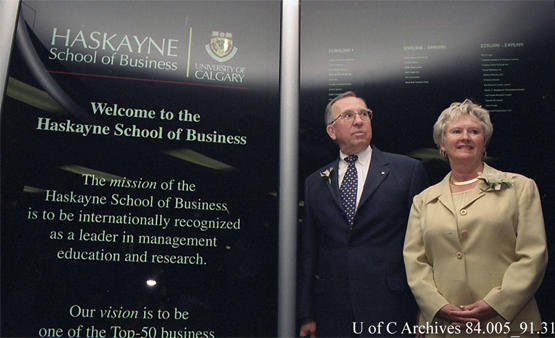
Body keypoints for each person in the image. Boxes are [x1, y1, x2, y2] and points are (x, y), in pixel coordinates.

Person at [403, 99, 548, 337]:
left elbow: (533, 255)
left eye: (474, 131)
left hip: (508, 324)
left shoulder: (520, 188)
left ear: (484, 142)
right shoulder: (423, 200)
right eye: (456, 131)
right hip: (445, 327)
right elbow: (415, 262)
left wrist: (496, 303)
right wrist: (439, 307)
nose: (465, 137)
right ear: (442, 143)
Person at [298, 91, 428, 337]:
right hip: (334, 310)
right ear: (331, 131)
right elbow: (309, 251)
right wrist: (307, 313)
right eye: (348, 115)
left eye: (364, 114)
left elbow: (423, 244)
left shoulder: (407, 171)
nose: (359, 120)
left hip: (392, 306)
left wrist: (424, 307)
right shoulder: (315, 182)